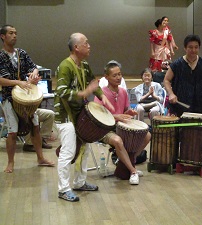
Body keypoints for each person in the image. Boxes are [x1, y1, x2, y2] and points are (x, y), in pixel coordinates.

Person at [54, 33, 114, 202]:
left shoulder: (84, 65)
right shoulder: (65, 66)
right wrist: (84, 93)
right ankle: (63, 189)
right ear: (76, 47)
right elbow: (61, 91)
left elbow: (93, 83)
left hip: (79, 113)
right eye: (86, 43)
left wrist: (103, 96)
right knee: (68, 151)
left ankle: (79, 182)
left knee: (84, 148)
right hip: (65, 114)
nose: (89, 46)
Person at [0, 24, 54, 173]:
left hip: (26, 96)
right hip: (9, 98)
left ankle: (40, 158)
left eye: (16, 33)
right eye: (11, 33)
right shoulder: (0, 56)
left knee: (35, 127)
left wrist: (34, 74)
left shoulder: (22, 53)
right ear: (3, 37)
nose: (14, 35)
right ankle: (10, 162)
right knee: (12, 131)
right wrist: (17, 82)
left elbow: (33, 67)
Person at [94, 61, 151, 185]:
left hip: (121, 126)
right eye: (114, 75)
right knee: (118, 141)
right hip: (105, 129)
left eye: (119, 74)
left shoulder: (123, 92)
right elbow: (97, 116)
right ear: (106, 77)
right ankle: (133, 170)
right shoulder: (101, 93)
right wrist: (116, 116)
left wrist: (129, 112)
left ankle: (130, 162)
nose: (118, 77)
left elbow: (125, 110)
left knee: (147, 135)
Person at [163, 34, 202, 117]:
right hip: (180, 107)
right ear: (185, 48)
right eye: (190, 47)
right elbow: (166, 80)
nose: (193, 50)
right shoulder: (177, 64)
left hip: (200, 105)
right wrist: (171, 94)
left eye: (196, 47)